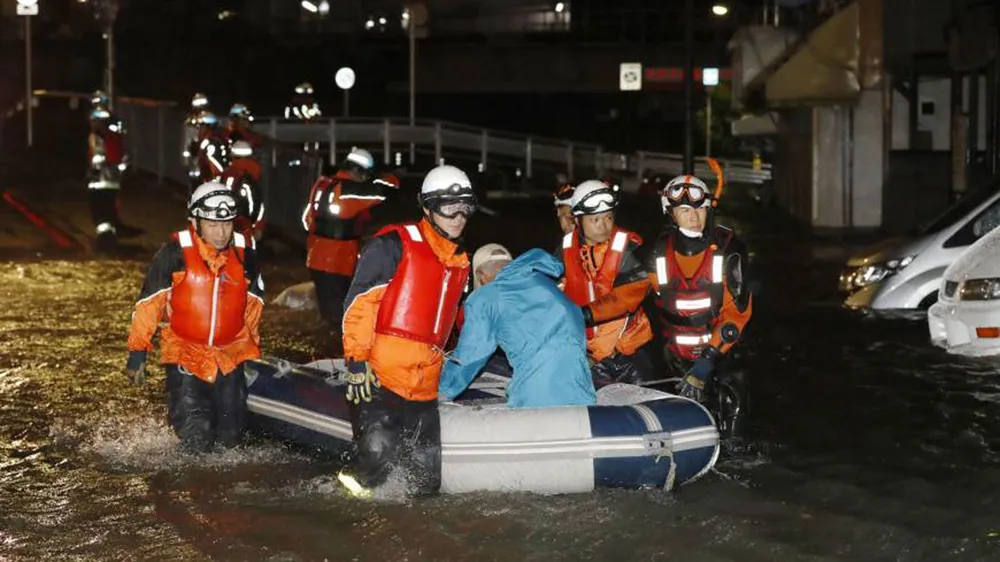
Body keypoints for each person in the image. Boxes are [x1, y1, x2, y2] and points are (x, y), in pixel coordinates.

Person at [581, 163, 753, 434]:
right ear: (671, 213)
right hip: (676, 361)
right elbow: (628, 297)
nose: (694, 217)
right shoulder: (657, 252)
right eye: (685, 210)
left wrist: (706, 364)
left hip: (723, 359)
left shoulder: (730, 249)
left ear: (709, 208)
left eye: (699, 209)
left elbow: (736, 316)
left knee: (735, 435)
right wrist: (584, 315)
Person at [337, 164, 476, 497]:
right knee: (375, 460)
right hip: (381, 378)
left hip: (425, 386)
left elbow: (456, 323)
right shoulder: (393, 245)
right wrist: (357, 362)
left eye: (466, 206)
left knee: (425, 481)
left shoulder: (460, 262)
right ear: (427, 207)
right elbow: (359, 306)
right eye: (448, 206)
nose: (458, 216)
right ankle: (352, 525)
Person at [125, 182, 265, 452]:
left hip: (229, 355)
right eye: (213, 224)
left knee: (231, 437)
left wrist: (250, 352)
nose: (221, 232)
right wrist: (137, 351)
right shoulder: (174, 254)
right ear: (195, 221)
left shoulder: (245, 254)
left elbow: (253, 305)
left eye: (226, 224)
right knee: (195, 437)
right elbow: (148, 305)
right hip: (186, 354)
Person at [440, 246, 595, 408]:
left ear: (481, 276)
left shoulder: (486, 297)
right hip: (581, 394)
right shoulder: (545, 284)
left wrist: (440, 393)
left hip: (537, 398)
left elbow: (469, 357)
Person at [561, 180, 655, 386]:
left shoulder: (629, 248)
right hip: (589, 357)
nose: (604, 226)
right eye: (595, 220)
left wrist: (584, 314)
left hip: (630, 355)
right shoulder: (565, 250)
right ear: (577, 220)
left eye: (608, 217)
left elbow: (626, 297)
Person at [302, 148, 393, 328]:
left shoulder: (322, 183)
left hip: (315, 255)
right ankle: (336, 349)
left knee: (327, 310)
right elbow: (381, 192)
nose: (364, 179)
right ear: (357, 171)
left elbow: (306, 220)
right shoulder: (347, 189)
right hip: (337, 259)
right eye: (365, 175)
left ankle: (327, 342)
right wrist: (389, 176)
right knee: (339, 315)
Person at [86, 105, 127, 246]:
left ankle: (104, 241)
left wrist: (93, 171)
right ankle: (111, 237)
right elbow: (123, 157)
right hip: (114, 182)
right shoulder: (115, 136)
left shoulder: (96, 136)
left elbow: (97, 157)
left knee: (99, 212)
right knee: (109, 212)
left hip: (100, 181)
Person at [218, 140, 264, 241]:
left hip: (227, 221)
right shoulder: (256, 172)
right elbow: (258, 202)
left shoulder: (227, 173)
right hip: (246, 225)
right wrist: (257, 226)